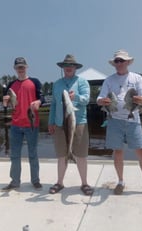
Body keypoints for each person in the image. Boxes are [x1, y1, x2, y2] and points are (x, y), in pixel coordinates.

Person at [97, 49, 142, 199]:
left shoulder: (137, 78)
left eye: (122, 60)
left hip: (133, 119)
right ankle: (120, 182)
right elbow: (100, 97)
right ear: (114, 64)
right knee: (118, 152)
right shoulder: (109, 80)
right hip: (114, 120)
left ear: (128, 62)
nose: (119, 63)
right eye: (117, 61)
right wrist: (101, 101)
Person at [48, 54, 94, 196]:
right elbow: (54, 104)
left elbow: (86, 100)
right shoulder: (56, 84)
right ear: (62, 68)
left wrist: (77, 97)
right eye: (66, 66)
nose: (69, 68)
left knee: (81, 155)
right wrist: (51, 122)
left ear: (75, 68)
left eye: (71, 66)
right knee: (61, 155)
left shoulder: (82, 82)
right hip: (60, 124)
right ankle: (60, 182)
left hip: (78, 123)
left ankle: (84, 183)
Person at [1, 57, 44, 191]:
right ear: (14, 68)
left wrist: (39, 102)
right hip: (15, 125)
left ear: (27, 67)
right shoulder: (10, 85)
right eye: (18, 67)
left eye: (22, 66)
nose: (20, 69)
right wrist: (5, 102)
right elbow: (6, 105)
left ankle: (35, 180)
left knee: (33, 154)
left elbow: (42, 97)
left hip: (32, 124)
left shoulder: (35, 82)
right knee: (14, 155)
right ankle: (14, 181)